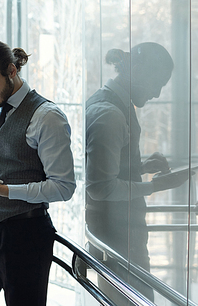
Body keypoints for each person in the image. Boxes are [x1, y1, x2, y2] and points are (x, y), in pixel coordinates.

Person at [0, 40, 76, 306]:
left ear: (11, 71)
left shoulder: (48, 117)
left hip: (27, 234)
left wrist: (4, 190)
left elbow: (63, 187)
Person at [85, 42, 189, 303]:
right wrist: (157, 185)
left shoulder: (114, 106)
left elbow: (102, 173)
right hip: (118, 241)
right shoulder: (109, 113)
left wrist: (140, 168)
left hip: (121, 238)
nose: (156, 93)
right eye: (157, 83)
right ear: (139, 71)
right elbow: (99, 188)